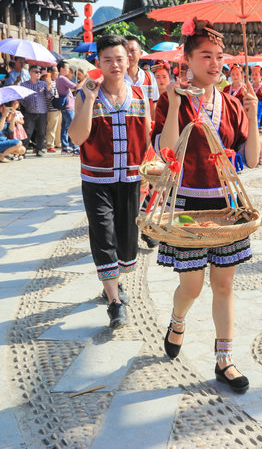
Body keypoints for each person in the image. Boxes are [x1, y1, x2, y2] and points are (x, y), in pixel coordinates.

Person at [153, 18, 261, 393]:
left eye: (219, 57)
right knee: (194, 285)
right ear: (187, 58)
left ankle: (225, 359)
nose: (215, 64)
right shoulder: (173, 99)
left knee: (224, 284)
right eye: (206, 56)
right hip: (186, 204)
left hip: (226, 206)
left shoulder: (232, 104)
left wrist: (254, 113)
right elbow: (166, 153)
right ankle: (178, 319)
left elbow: (252, 158)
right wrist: (171, 105)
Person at [68, 35, 152, 329]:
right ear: (99, 64)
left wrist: (153, 176)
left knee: (128, 244)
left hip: (131, 180)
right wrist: (89, 100)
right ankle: (114, 303)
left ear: (129, 60)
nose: (115, 64)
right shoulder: (85, 94)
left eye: (120, 58)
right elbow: (77, 138)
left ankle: (113, 283)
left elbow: (147, 140)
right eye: (108, 60)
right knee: (103, 236)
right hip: (96, 180)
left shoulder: (141, 95)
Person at [20, 65, 52, 156]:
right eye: (36, 72)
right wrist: (25, 104)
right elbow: (21, 98)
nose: (38, 73)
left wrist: (49, 87)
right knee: (27, 132)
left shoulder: (43, 84)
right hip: (29, 112)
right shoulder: (24, 85)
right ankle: (23, 150)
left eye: (39, 72)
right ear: (30, 72)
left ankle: (39, 149)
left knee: (41, 133)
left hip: (42, 112)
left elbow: (49, 97)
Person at [125, 35, 160, 114]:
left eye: (132, 50)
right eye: (125, 51)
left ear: (140, 53)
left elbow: (154, 103)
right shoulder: (117, 78)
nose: (129, 54)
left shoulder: (149, 77)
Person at [56, 60, 80, 155]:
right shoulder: (62, 79)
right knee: (72, 128)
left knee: (65, 128)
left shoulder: (59, 79)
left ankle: (65, 147)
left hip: (66, 107)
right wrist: (84, 80)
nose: (68, 71)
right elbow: (75, 87)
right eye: (66, 69)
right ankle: (75, 147)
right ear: (61, 69)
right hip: (68, 107)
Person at [44, 66, 62, 153]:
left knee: (59, 127)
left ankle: (58, 143)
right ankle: (50, 145)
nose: (57, 73)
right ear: (50, 72)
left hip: (58, 108)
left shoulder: (55, 82)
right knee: (51, 127)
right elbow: (48, 96)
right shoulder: (47, 82)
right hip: (51, 109)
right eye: (56, 72)